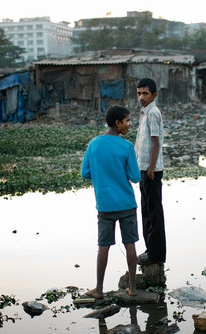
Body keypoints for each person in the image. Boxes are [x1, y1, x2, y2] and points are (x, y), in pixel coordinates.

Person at [81, 105, 141, 299]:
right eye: (128, 121)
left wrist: (103, 174)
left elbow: (85, 173)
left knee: (103, 247)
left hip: (105, 205)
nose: (130, 125)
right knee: (130, 244)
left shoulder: (94, 144)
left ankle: (98, 289)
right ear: (118, 123)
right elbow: (135, 177)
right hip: (126, 204)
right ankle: (132, 288)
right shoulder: (126, 147)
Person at [135, 78, 167, 266]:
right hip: (144, 168)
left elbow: (155, 142)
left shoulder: (153, 113)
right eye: (139, 93)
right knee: (147, 211)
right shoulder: (144, 114)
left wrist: (151, 168)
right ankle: (150, 250)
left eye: (145, 93)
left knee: (154, 213)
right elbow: (141, 143)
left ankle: (156, 255)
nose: (141, 97)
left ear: (154, 95)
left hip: (151, 170)